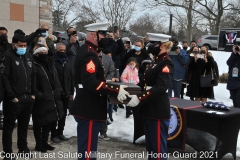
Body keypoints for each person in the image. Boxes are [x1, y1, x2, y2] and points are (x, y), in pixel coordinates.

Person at [71, 22, 129, 160]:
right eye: (103, 34)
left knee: (89, 149)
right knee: (88, 151)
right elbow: (90, 82)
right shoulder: (89, 54)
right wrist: (113, 90)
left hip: (89, 106)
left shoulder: (89, 51)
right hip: (89, 108)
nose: (105, 37)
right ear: (94, 35)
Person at [126, 33, 174, 160]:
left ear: (162, 45)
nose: (150, 46)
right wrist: (128, 89)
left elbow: (161, 87)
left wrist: (140, 97)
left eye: (153, 44)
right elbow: (145, 82)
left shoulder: (166, 63)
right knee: (151, 148)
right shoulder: (156, 61)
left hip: (157, 109)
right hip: (149, 108)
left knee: (158, 149)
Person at [1, 33, 36, 160]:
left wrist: (33, 93)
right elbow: (4, 78)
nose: (23, 47)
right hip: (14, 99)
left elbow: (33, 76)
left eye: (25, 45)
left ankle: (23, 148)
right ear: (13, 44)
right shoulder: (7, 56)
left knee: (24, 125)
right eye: (20, 45)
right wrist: (11, 96)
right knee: (9, 127)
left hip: (27, 98)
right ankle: (8, 152)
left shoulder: (28, 56)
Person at [32, 45, 64, 152]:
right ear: (36, 54)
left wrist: (57, 91)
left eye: (46, 52)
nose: (45, 55)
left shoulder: (50, 64)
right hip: (40, 99)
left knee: (48, 121)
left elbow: (56, 79)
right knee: (39, 122)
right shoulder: (34, 65)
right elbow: (32, 83)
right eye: (42, 53)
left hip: (51, 97)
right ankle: (38, 144)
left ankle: (45, 142)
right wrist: (39, 95)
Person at [50, 42, 74, 143]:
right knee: (55, 114)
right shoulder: (52, 62)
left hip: (66, 93)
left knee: (63, 114)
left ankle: (60, 133)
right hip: (56, 93)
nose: (62, 52)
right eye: (60, 50)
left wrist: (71, 92)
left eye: (64, 50)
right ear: (56, 50)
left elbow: (71, 78)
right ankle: (53, 135)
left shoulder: (67, 62)